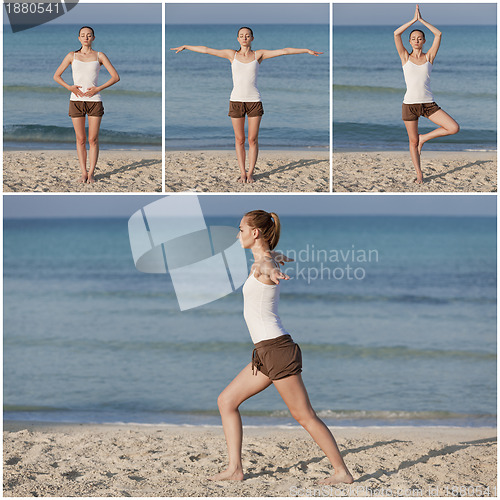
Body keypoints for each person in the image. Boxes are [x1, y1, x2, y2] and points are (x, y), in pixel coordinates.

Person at [208, 210, 354, 484]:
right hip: (265, 352)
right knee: (226, 401)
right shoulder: (265, 259)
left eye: (240, 229)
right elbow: (272, 259)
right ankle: (235, 469)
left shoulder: (264, 263)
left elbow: (268, 265)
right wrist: (277, 260)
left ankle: (341, 472)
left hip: (276, 350)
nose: (237, 234)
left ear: (255, 233)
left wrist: (273, 269)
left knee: (304, 415)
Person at [171, 27, 322, 183]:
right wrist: (186, 46)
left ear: (252, 38)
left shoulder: (259, 55)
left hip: (254, 101)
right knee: (239, 139)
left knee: (252, 140)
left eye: (247, 36)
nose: (244, 38)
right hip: (236, 101)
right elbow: (207, 50)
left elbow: (284, 51)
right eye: (241, 36)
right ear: (238, 39)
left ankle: (250, 173)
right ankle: (242, 172)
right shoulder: (232, 55)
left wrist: (306, 50)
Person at [394, 5, 459, 184]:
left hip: (428, 104)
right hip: (409, 105)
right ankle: (419, 174)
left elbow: (438, 35)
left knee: (453, 128)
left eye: (419, 38)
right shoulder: (405, 57)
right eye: (413, 38)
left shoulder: (429, 56)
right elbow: (396, 34)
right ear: (410, 41)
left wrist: (422, 21)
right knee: (412, 142)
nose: (416, 40)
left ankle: (425, 137)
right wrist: (412, 21)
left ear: (423, 41)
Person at [54, 26, 120, 183]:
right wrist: (70, 87)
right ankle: (83, 172)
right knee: (80, 139)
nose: (86, 38)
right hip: (75, 101)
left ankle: (91, 174)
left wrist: (98, 88)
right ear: (79, 38)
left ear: (93, 38)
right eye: (83, 35)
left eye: (89, 35)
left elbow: (115, 77)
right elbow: (56, 76)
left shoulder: (99, 56)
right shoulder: (72, 56)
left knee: (93, 139)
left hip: (94, 101)